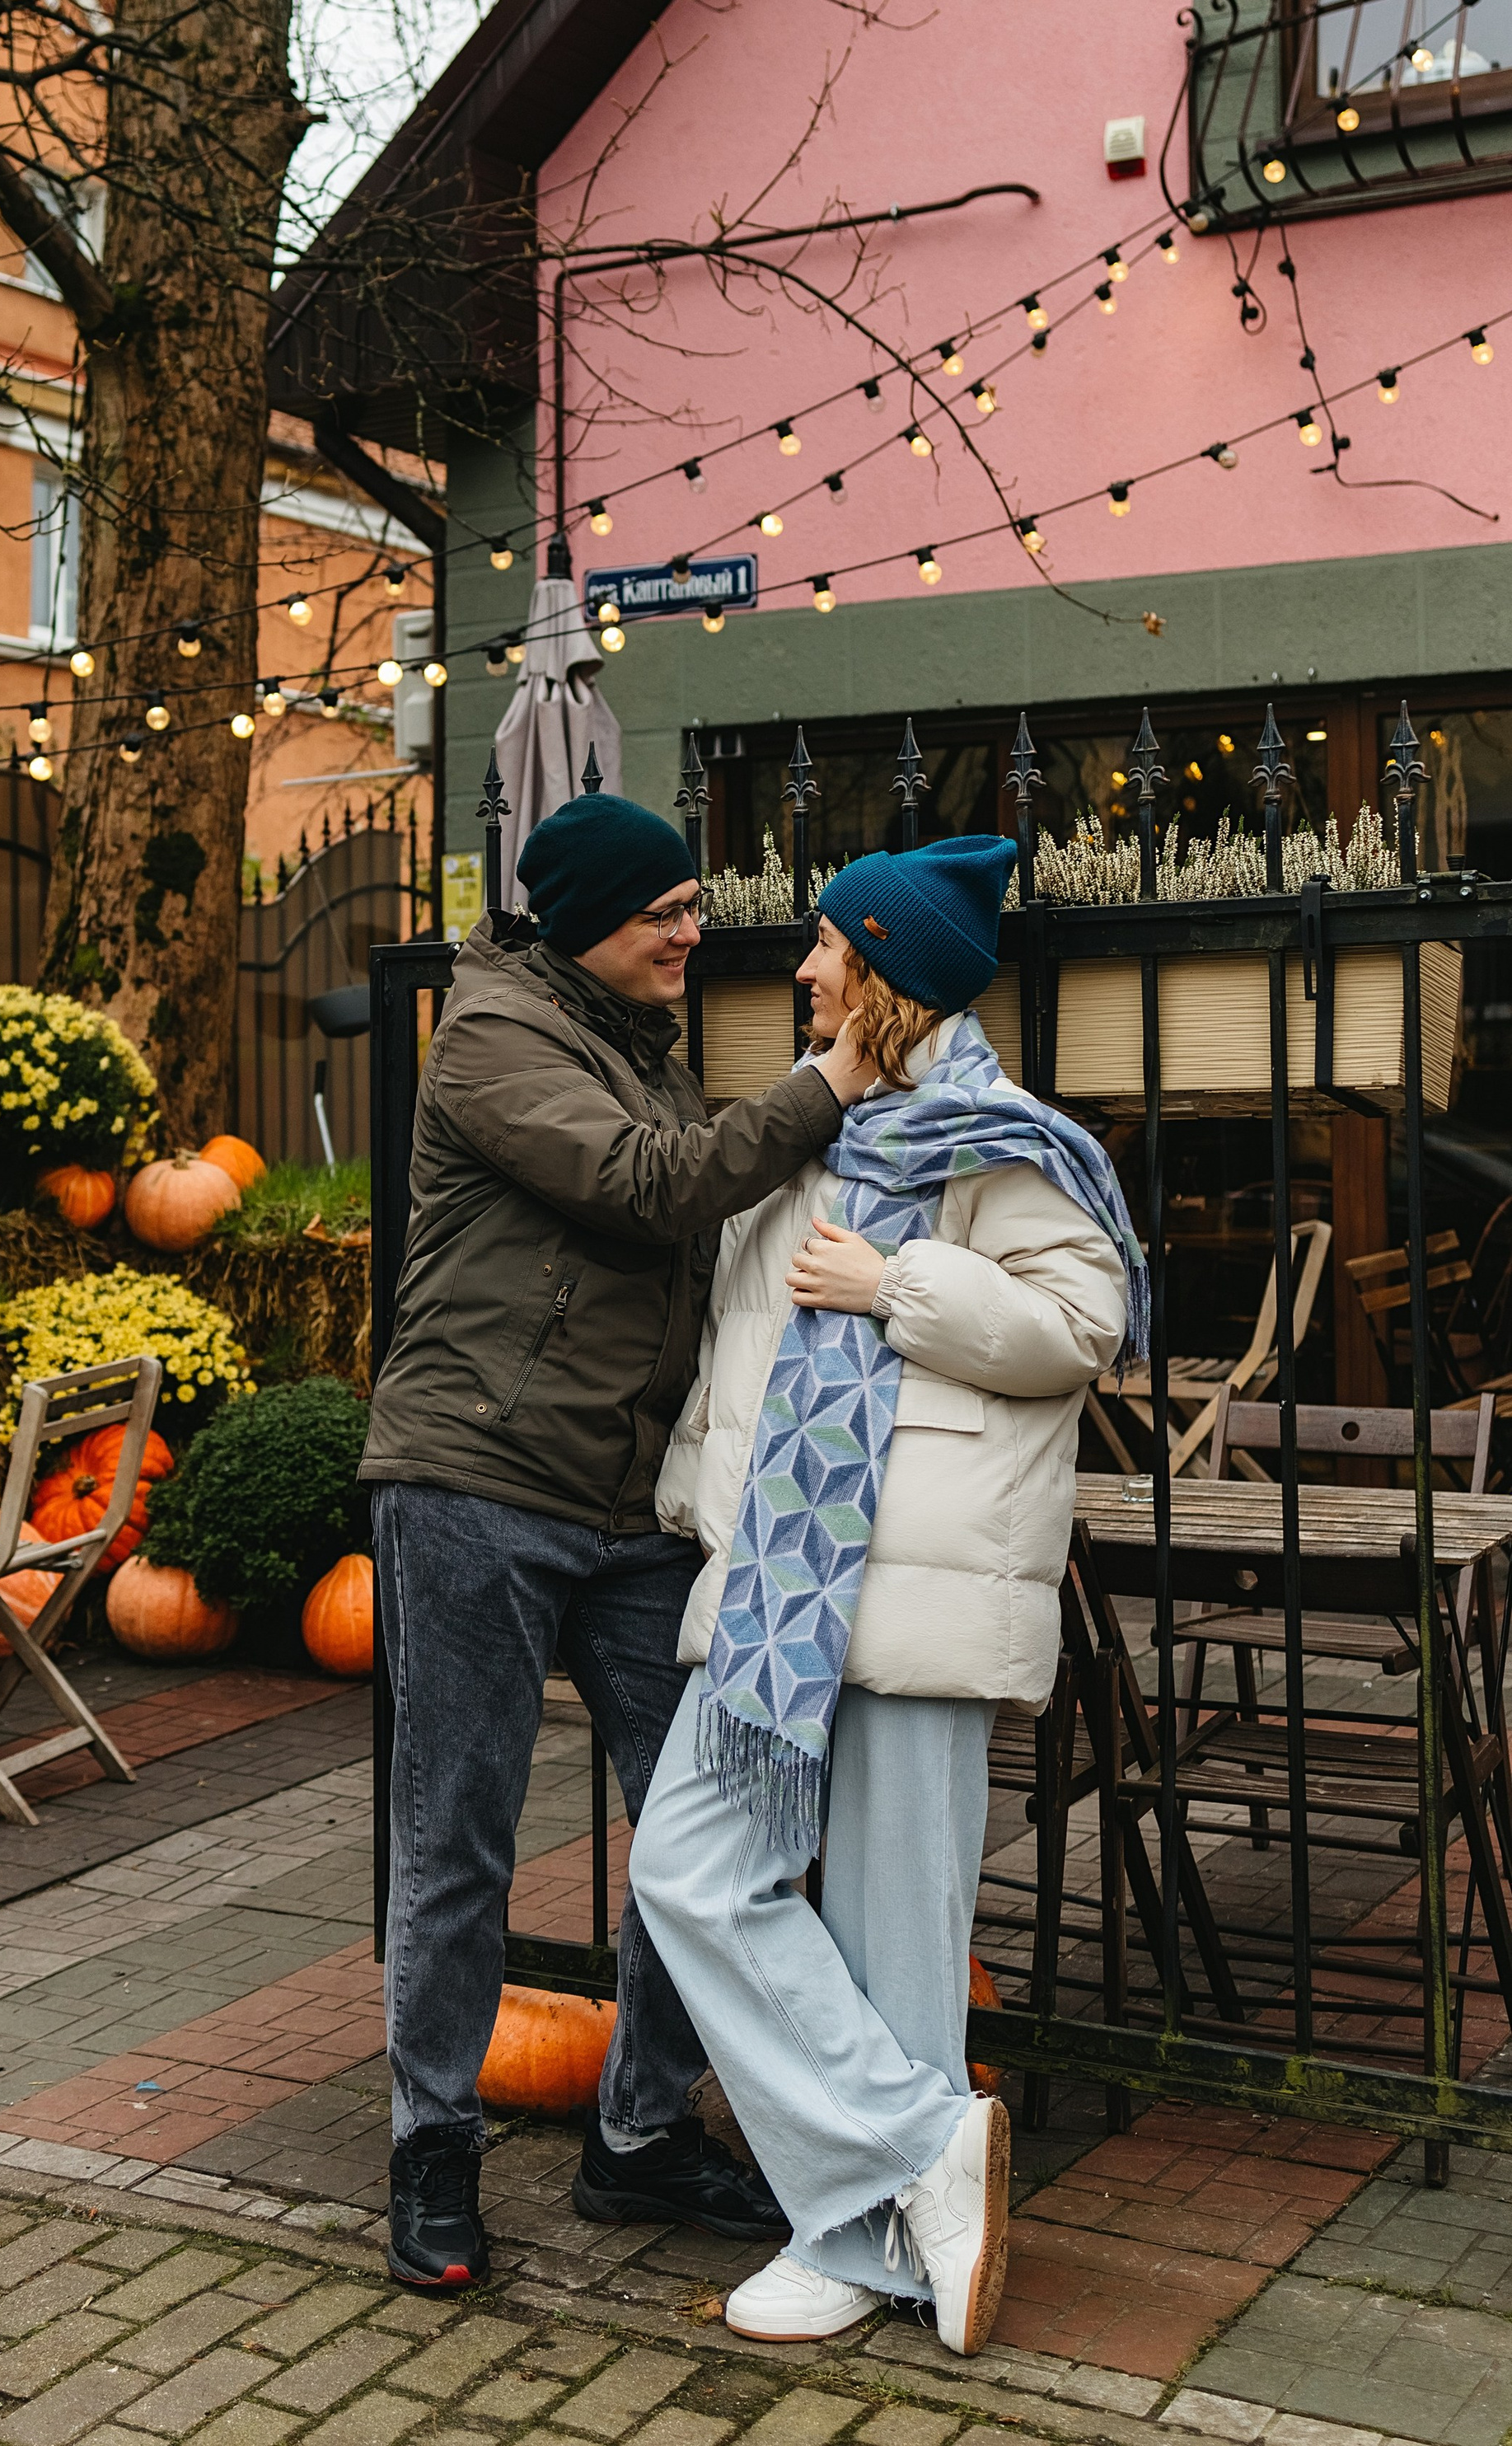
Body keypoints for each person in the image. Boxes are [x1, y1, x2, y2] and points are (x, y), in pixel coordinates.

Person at [630, 832, 1143, 2356]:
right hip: (785, 1588)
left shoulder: (1006, 1142)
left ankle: (866, 2249)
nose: (799, 971)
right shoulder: (809, 1130)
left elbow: (1083, 1324)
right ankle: (924, 2145)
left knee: (893, 1935)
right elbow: (743, 1351)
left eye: (826, 950)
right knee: (690, 1871)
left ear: (888, 977)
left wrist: (897, 1288)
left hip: (913, 1590)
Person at [362, 790, 880, 2293]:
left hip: (625, 1508)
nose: (691, 931)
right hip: (476, 1481)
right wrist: (833, 1076)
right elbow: (657, 1189)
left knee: (716, 1818)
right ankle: (432, 2142)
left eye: (694, 906)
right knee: (456, 1833)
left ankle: (639, 2134)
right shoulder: (493, 1039)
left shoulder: (633, 1046)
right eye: (664, 909)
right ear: (589, 913)